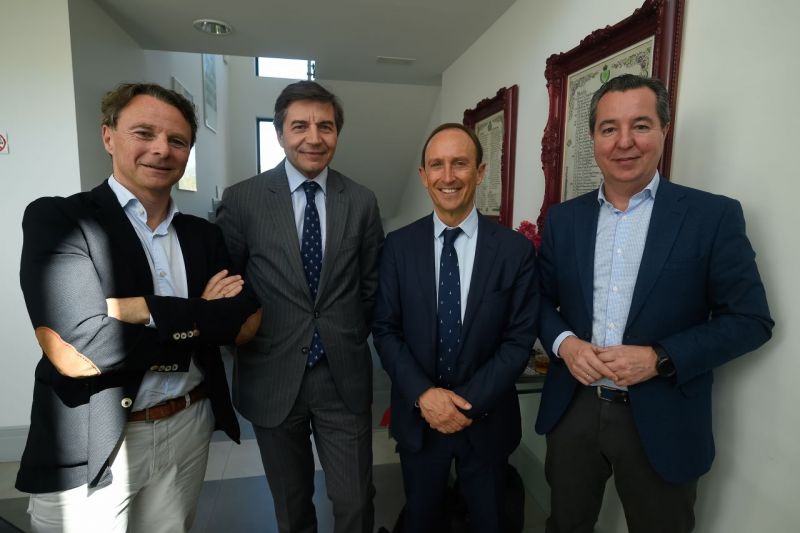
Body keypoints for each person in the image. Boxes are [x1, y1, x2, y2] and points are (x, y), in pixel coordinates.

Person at [16, 82, 261, 533]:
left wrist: (143, 309)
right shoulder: (61, 220)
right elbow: (76, 350)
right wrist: (199, 313)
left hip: (188, 425)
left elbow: (244, 322)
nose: (161, 149)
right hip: (94, 440)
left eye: (177, 140)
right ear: (108, 136)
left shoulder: (203, 235)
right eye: (144, 133)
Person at [535, 74, 774, 533]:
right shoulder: (564, 219)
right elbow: (539, 300)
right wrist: (565, 343)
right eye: (609, 128)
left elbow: (750, 320)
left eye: (640, 125)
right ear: (594, 138)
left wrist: (660, 358)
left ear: (664, 129)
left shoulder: (712, 216)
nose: (624, 142)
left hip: (665, 417)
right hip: (574, 409)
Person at [216, 80, 383, 533]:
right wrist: (245, 341)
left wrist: (348, 336)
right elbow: (228, 288)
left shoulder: (361, 201)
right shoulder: (242, 199)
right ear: (279, 133)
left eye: (325, 126)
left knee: (355, 501)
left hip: (341, 375)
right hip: (271, 374)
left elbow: (371, 286)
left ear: (337, 133)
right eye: (300, 126)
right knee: (291, 506)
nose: (314, 137)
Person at [372, 123, 539, 533]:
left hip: (487, 421)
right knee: (420, 521)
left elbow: (518, 340)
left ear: (480, 172)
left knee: (489, 522)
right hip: (420, 420)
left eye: (460, 164)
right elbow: (386, 330)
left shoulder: (514, 251)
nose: (448, 176)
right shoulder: (397, 247)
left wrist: (465, 404)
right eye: (437, 165)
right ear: (423, 175)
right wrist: (424, 395)